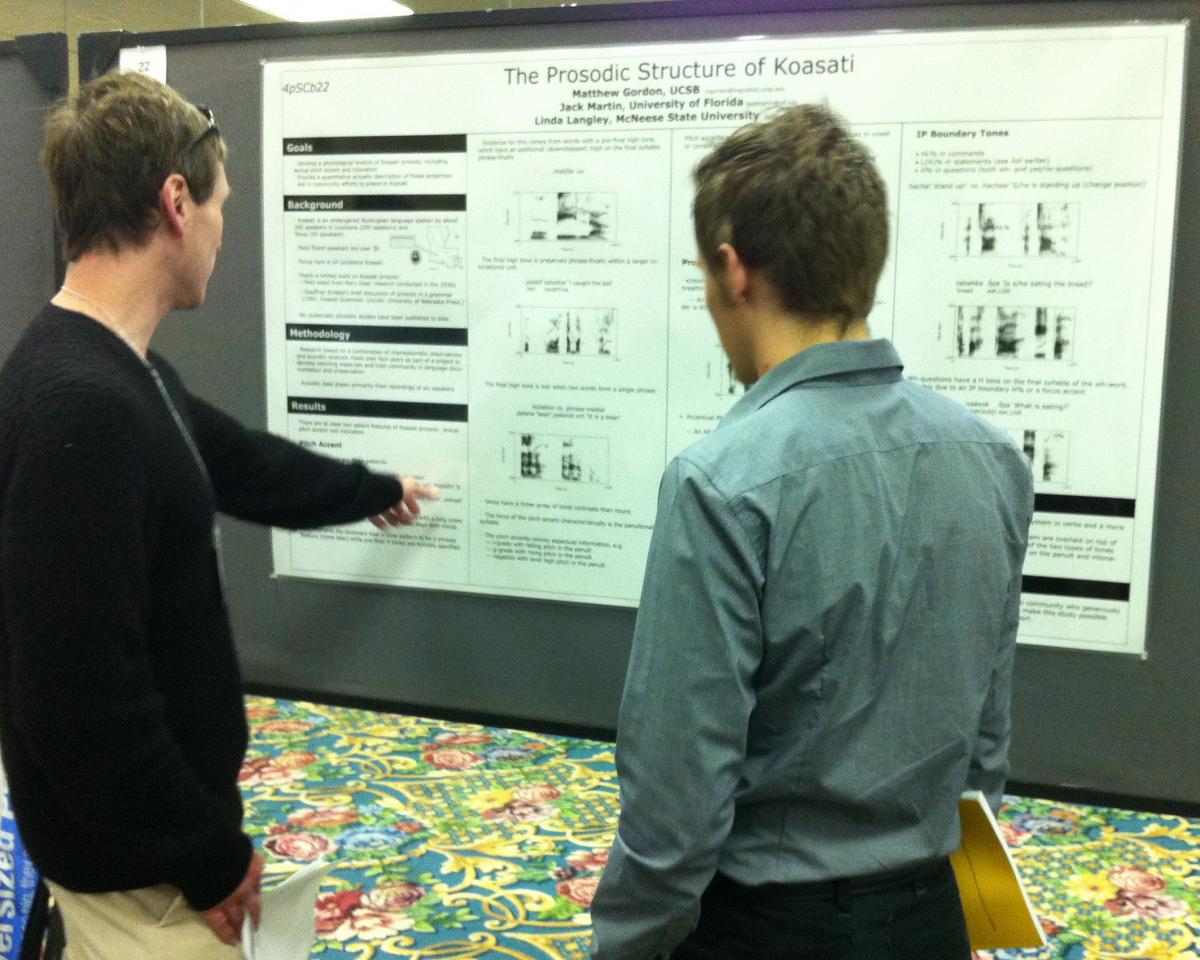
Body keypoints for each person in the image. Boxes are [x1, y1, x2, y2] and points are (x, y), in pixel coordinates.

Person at [0, 71, 439, 959]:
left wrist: (371, 488)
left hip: (148, 863)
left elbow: (239, 463)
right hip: (144, 886)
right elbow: (77, 699)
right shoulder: (82, 409)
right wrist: (208, 857)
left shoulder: (115, 372)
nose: (222, 230)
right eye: (221, 205)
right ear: (174, 201)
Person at [588, 104, 1034, 960]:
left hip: (768, 930)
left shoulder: (720, 481)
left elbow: (677, 797)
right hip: (934, 917)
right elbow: (985, 741)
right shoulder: (992, 460)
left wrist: (628, 948)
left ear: (733, 270)